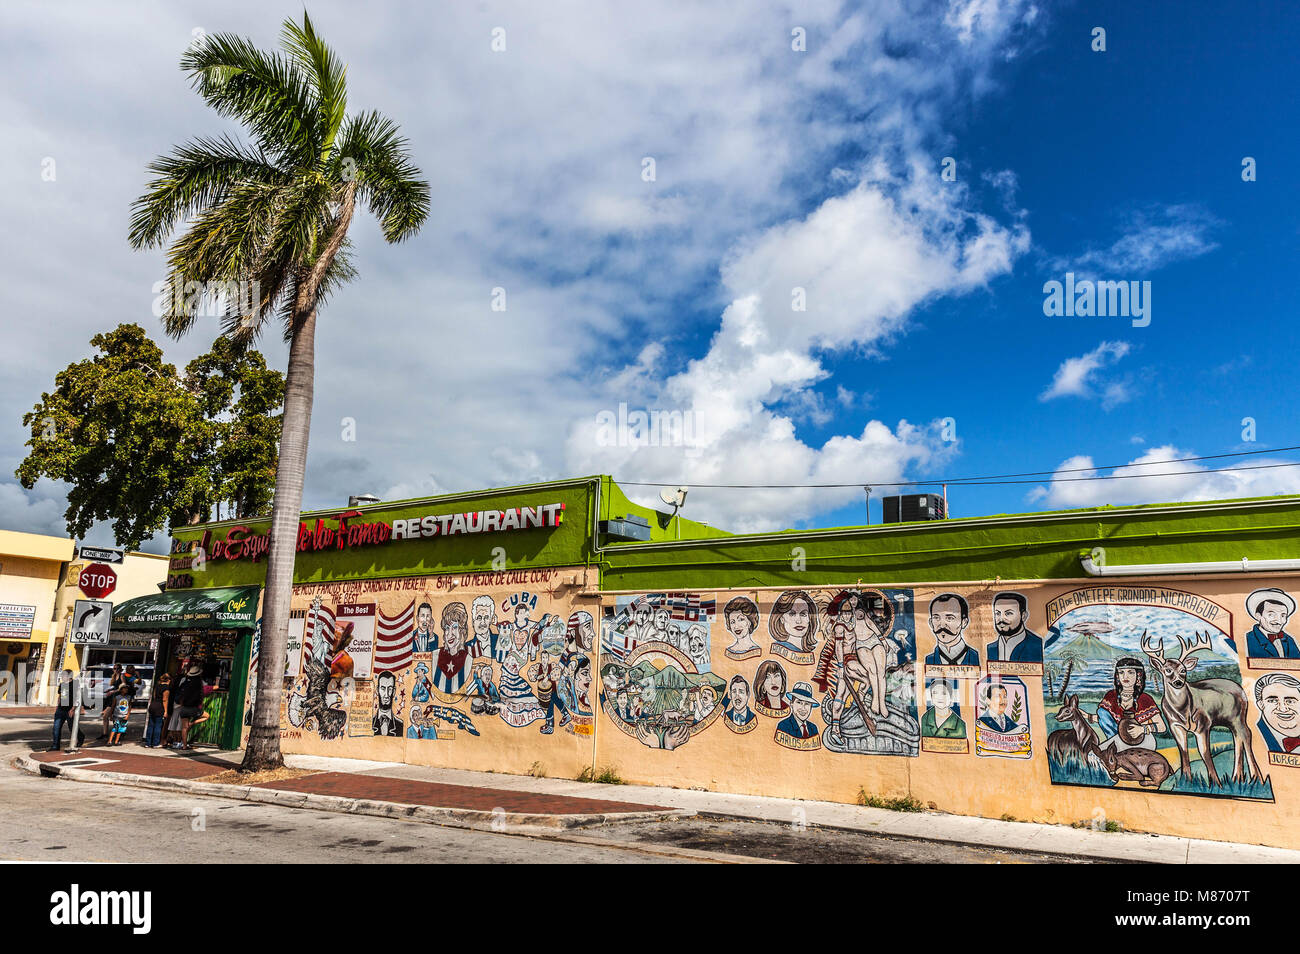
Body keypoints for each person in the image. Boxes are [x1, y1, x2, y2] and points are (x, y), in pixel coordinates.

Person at [1242, 587, 1300, 659]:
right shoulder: (1248, 639)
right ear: (1258, 616)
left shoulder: (1289, 640)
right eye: (1271, 615)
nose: (1279, 621)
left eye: (1283, 615)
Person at [987, 592, 1044, 663]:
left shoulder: (1037, 644)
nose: (1001, 619)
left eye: (1008, 613)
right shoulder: (991, 648)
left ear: (1023, 616)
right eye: (997, 613)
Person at [924, 593, 979, 667]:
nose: (942, 625)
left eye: (950, 618)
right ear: (931, 623)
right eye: (936, 618)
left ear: (964, 622)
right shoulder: (929, 659)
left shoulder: (974, 656)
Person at [1254, 672, 1300, 753]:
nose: (1283, 709)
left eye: (1290, 701)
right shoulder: (1253, 734)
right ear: (1261, 704)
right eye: (1272, 701)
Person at [49, 669, 85, 752]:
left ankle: (81, 737)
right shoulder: (62, 684)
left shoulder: (75, 684)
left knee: (72, 727)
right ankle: (55, 746)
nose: (61, 677)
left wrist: (73, 709)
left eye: (63, 675)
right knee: (56, 728)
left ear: (69, 676)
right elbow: (60, 695)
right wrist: (57, 706)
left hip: (70, 710)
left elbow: (78, 698)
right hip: (60, 709)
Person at [174, 662, 207, 749]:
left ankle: (184, 745)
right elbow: (206, 689)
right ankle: (192, 723)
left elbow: (180, 696)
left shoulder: (185, 683)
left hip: (184, 708)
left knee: (184, 728)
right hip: (193, 708)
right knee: (207, 716)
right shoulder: (199, 684)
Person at [143, 673, 171, 748]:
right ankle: (155, 743)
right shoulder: (166, 688)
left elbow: (155, 696)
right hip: (159, 706)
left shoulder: (157, 686)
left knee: (151, 725)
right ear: (169, 680)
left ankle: (148, 743)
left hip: (153, 705)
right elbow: (165, 700)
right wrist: (165, 711)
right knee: (158, 725)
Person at [99, 664, 124, 739]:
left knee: (115, 717)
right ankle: (105, 734)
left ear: (120, 669)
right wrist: (109, 690)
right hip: (111, 698)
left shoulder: (121, 676)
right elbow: (115, 686)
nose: (115, 670)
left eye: (117, 668)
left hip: (117, 698)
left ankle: (118, 734)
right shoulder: (114, 676)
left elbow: (123, 686)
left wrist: (113, 691)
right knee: (105, 716)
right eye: (114, 668)